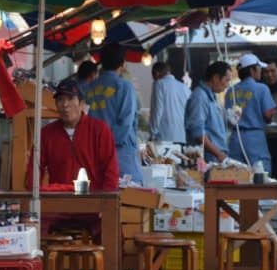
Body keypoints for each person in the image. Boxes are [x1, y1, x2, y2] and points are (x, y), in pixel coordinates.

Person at [26, 79, 118, 192]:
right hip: (58, 203)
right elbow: (34, 169)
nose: (65, 104)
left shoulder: (100, 130)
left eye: (70, 99)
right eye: (60, 100)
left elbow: (111, 171)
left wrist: (105, 203)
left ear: (82, 104)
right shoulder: (46, 133)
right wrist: (35, 198)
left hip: (93, 203)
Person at [85, 43, 141, 183]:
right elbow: (126, 123)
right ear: (122, 63)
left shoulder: (90, 87)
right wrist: (109, 146)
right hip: (119, 152)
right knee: (132, 192)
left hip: (94, 151)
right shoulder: (124, 86)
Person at [225, 53, 276, 173]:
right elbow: (268, 115)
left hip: (235, 138)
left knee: (237, 173)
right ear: (252, 70)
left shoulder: (230, 91)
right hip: (255, 137)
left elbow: (228, 115)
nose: (261, 72)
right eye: (259, 69)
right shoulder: (262, 88)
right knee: (261, 174)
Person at [185, 61, 231, 163]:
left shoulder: (213, 97)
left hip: (217, 156)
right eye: (226, 80)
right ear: (215, 78)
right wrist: (219, 154)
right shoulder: (200, 96)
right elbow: (198, 133)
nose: (227, 85)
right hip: (209, 158)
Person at [149, 61, 190, 143]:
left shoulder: (159, 84)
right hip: (182, 136)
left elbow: (157, 111)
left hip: (164, 137)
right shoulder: (184, 87)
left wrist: (152, 133)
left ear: (157, 73)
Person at [262, 59, 277, 180]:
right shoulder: (261, 87)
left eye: (273, 71)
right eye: (266, 72)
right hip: (267, 138)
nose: (269, 75)